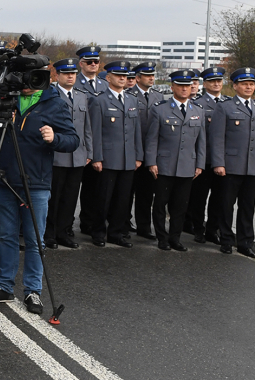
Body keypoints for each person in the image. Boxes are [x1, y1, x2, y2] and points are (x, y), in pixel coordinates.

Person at [0, 73, 79, 316]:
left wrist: (55, 138)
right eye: (22, 82)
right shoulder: (5, 98)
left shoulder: (55, 102)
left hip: (36, 183)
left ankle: (33, 290)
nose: (26, 87)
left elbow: (73, 140)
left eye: (32, 82)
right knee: (7, 236)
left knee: (34, 240)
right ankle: (4, 286)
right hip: (3, 179)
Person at [210, 67, 255, 257]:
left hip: (254, 166)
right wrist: (218, 163)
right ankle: (227, 240)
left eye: (251, 84)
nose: (248, 87)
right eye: (244, 84)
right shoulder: (225, 107)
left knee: (248, 206)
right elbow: (217, 138)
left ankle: (245, 243)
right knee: (226, 204)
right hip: (231, 166)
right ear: (235, 86)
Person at [144, 69, 206, 251]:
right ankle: (162, 237)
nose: (185, 89)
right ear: (173, 87)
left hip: (188, 165)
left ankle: (175, 238)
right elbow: (152, 139)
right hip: (164, 165)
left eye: (187, 86)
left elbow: (201, 142)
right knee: (161, 203)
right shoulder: (160, 110)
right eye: (180, 85)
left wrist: (200, 164)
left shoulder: (198, 111)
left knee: (180, 205)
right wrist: (151, 162)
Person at [86, 61, 142, 247]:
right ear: (108, 78)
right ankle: (98, 232)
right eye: (118, 76)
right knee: (103, 199)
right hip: (108, 159)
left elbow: (136, 131)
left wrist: (138, 156)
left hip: (128, 159)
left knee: (123, 199)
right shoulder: (99, 100)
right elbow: (95, 131)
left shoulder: (133, 100)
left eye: (125, 76)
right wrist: (97, 157)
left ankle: (116, 233)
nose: (122, 79)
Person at [44, 58, 92, 249]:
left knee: (71, 198)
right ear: (57, 75)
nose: (71, 76)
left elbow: (86, 127)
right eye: (66, 73)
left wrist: (89, 151)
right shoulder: (50, 95)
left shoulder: (81, 96)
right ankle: (49, 234)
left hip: (78, 155)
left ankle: (64, 233)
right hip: (57, 155)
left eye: (73, 73)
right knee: (53, 197)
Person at [186, 66, 227, 244]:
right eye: (212, 81)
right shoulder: (198, 104)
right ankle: (198, 229)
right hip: (205, 158)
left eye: (219, 81)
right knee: (199, 197)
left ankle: (213, 229)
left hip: (224, 160)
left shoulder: (229, 103)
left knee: (219, 198)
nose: (216, 84)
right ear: (205, 84)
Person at [128, 62, 165, 239]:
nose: (151, 78)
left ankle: (144, 227)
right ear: (137, 78)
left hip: (151, 152)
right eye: (147, 75)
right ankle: (122, 224)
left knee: (146, 193)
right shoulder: (129, 95)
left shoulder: (159, 97)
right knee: (126, 192)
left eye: (153, 75)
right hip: (132, 150)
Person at [74, 45, 106, 236]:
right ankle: (66, 224)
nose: (93, 65)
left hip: (99, 142)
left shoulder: (104, 85)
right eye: (89, 62)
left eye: (96, 62)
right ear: (81, 64)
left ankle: (88, 223)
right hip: (79, 143)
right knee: (71, 189)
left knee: (93, 188)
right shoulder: (74, 83)